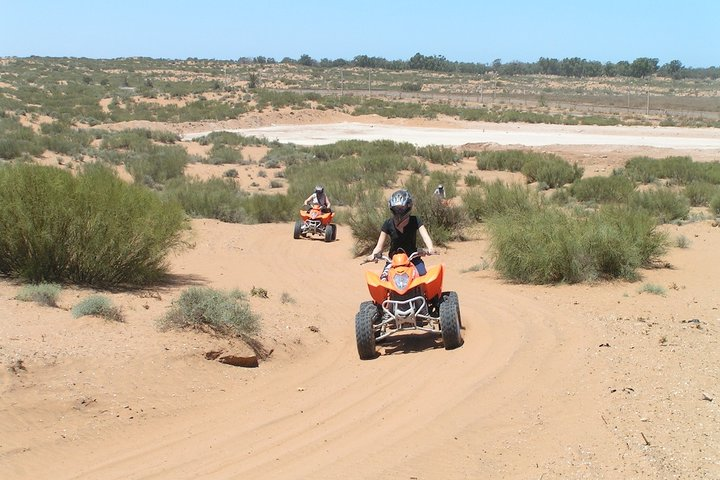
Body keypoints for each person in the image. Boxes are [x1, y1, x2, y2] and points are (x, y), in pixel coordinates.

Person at [367, 189, 435, 279]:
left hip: (413, 258)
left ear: (408, 206)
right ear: (392, 208)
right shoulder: (387, 223)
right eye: (396, 208)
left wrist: (430, 248)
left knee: (423, 277)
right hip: (393, 261)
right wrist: (373, 254)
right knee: (383, 280)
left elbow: (425, 236)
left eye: (401, 208)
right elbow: (379, 246)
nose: (399, 211)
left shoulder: (415, 220)